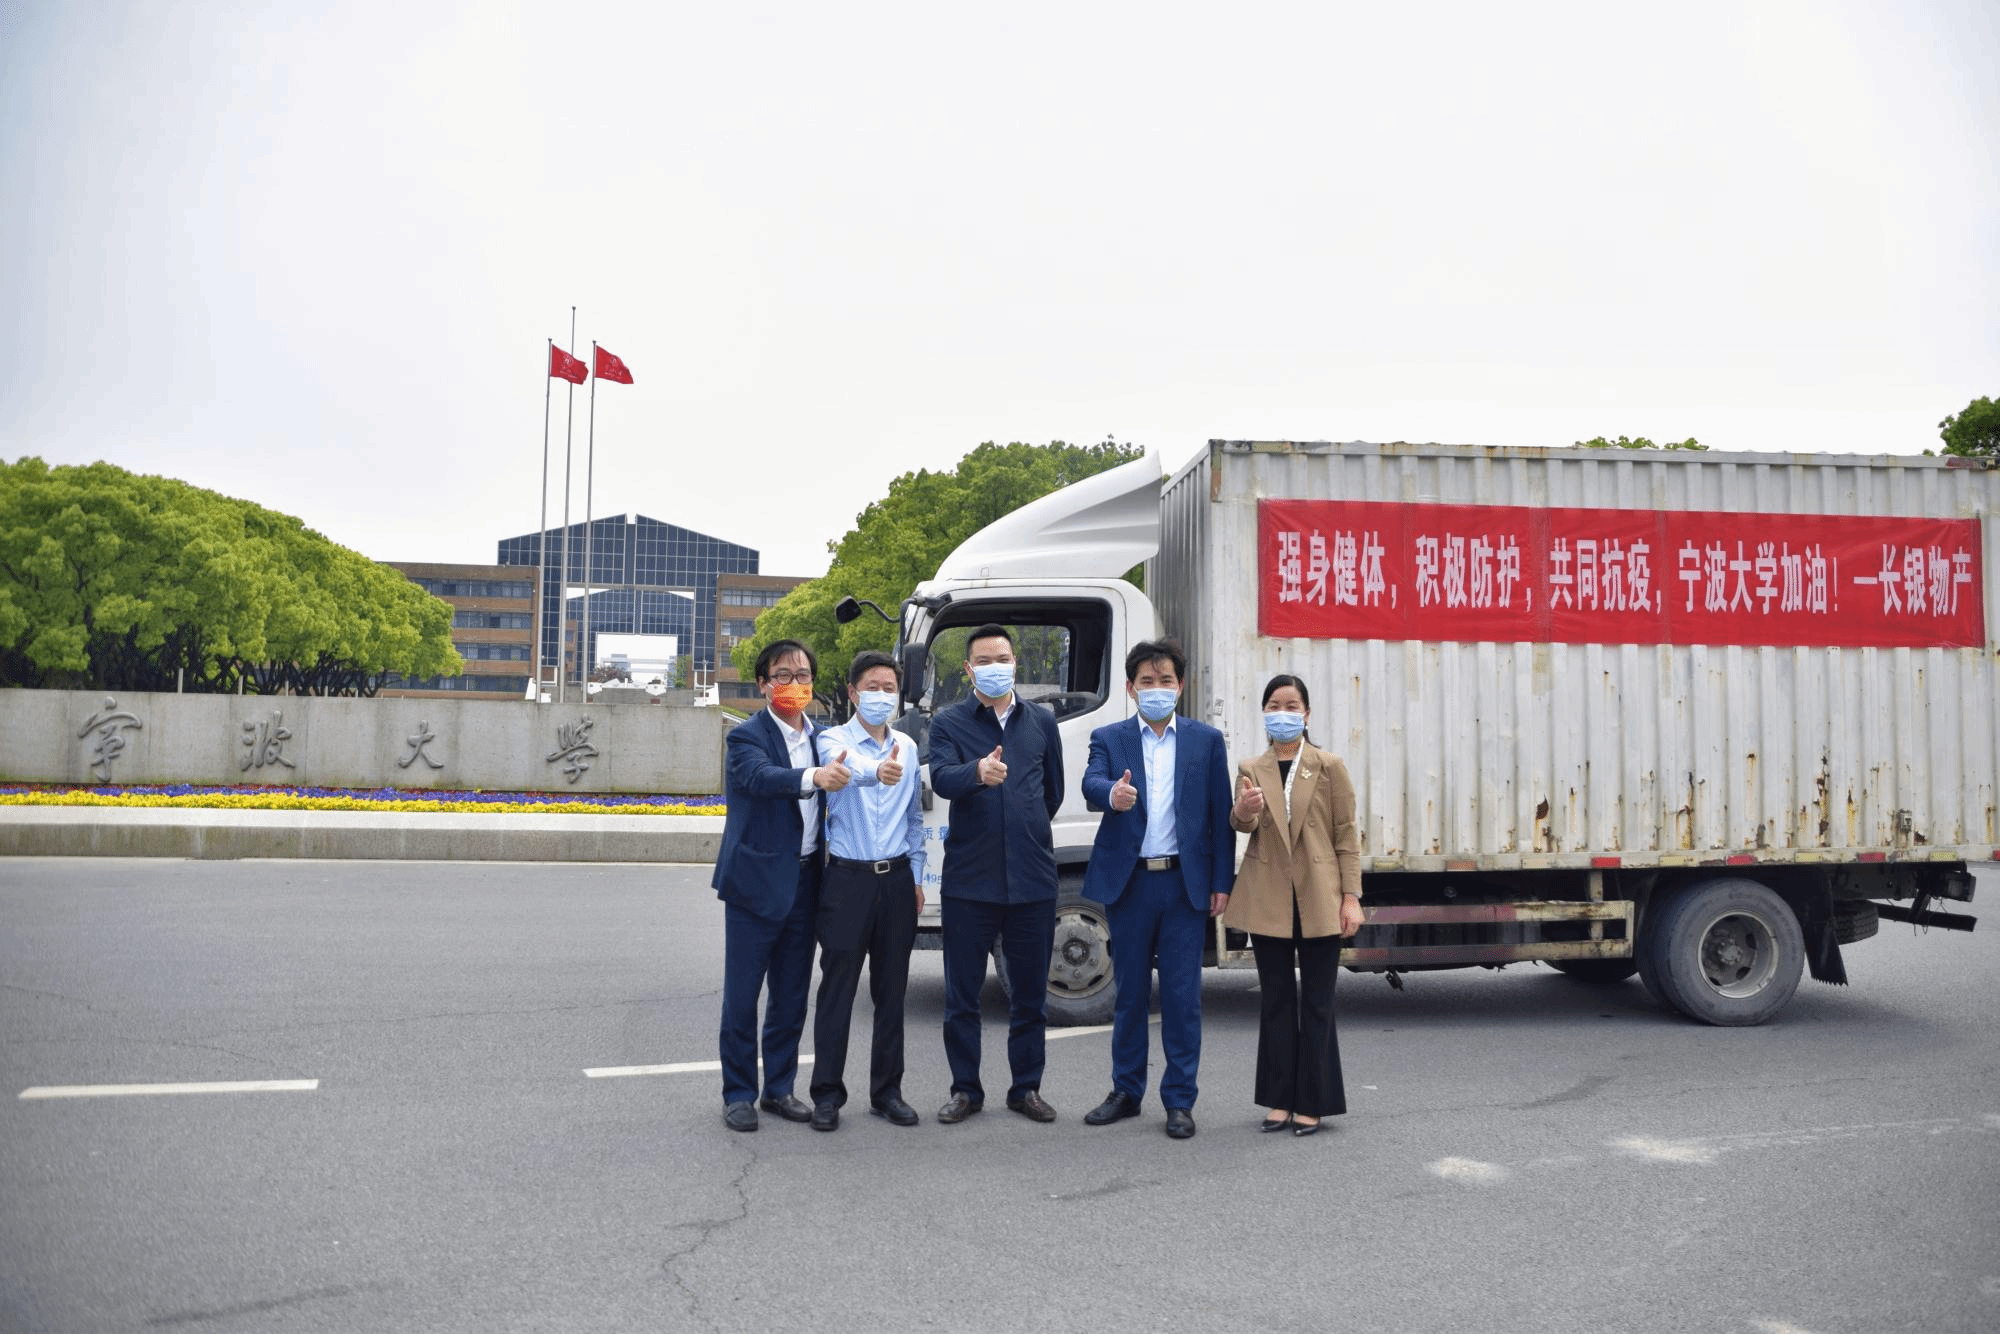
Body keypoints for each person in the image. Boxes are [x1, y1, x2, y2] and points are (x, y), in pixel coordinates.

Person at [1078, 640, 1233, 1139]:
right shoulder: (1110, 737)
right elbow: (1090, 782)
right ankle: (1126, 1091)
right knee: (1129, 995)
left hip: (1184, 886)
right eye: (1147, 681)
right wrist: (1113, 793)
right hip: (1131, 884)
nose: (1157, 689)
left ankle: (1180, 1100)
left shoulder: (1206, 742)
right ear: (1131, 688)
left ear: (1180, 686)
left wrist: (1221, 882)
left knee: (1183, 999)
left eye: (1166, 681)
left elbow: (1220, 816)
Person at [710, 639, 852, 1133]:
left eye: (803, 675)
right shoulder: (746, 737)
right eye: (783, 675)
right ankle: (738, 1094)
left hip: (807, 880)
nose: (795, 684)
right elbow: (761, 778)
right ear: (763, 684)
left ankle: (778, 1089)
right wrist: (814, 776)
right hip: (754, 883)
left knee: (791, 995)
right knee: (742, 997)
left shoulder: (825, 738)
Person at [928, 623, 1066, 1125]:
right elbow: (941, 778)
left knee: (1029, 998)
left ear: (1015, 663)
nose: (994, 667)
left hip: (1032, 880)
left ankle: (1026, 1089)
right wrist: (977, 773)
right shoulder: (948, 722)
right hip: (970, 881)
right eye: (983, 661)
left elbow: (1052, 792)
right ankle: (965, 1090)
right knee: (962, 998)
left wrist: (1023, 827)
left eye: (1002, 659)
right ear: (969, 670)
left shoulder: (1042, 721)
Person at [1222, 674, 1363, 1137]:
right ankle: (1280, 1099)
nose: (1282, 714)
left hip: (1320, 896)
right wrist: (1243, 811)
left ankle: (1313, 1102)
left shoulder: (1329, 766)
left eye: (1291, 705)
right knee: (1276, 1001)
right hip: (1269, 898)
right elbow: (1242, 825)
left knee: (1318, 1003)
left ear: (1306, 714)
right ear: (1264, 713)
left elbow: (1347, 835)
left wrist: (1351, 897)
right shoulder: (1250, 767)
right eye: (1274, 706)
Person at [806, 651, 925, 1131]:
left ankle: (887, 1092)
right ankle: (826, 1095)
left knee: (892, 993)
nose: (882, 696)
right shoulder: (832, 739)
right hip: (847, 880)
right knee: (836, 991)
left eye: (889, 689)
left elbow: (913, 819)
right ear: (853, 693)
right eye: (872, 687)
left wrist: (916, 877)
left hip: (896, 880)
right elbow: (844, 766)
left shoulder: (909, 747)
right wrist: (875, 771)